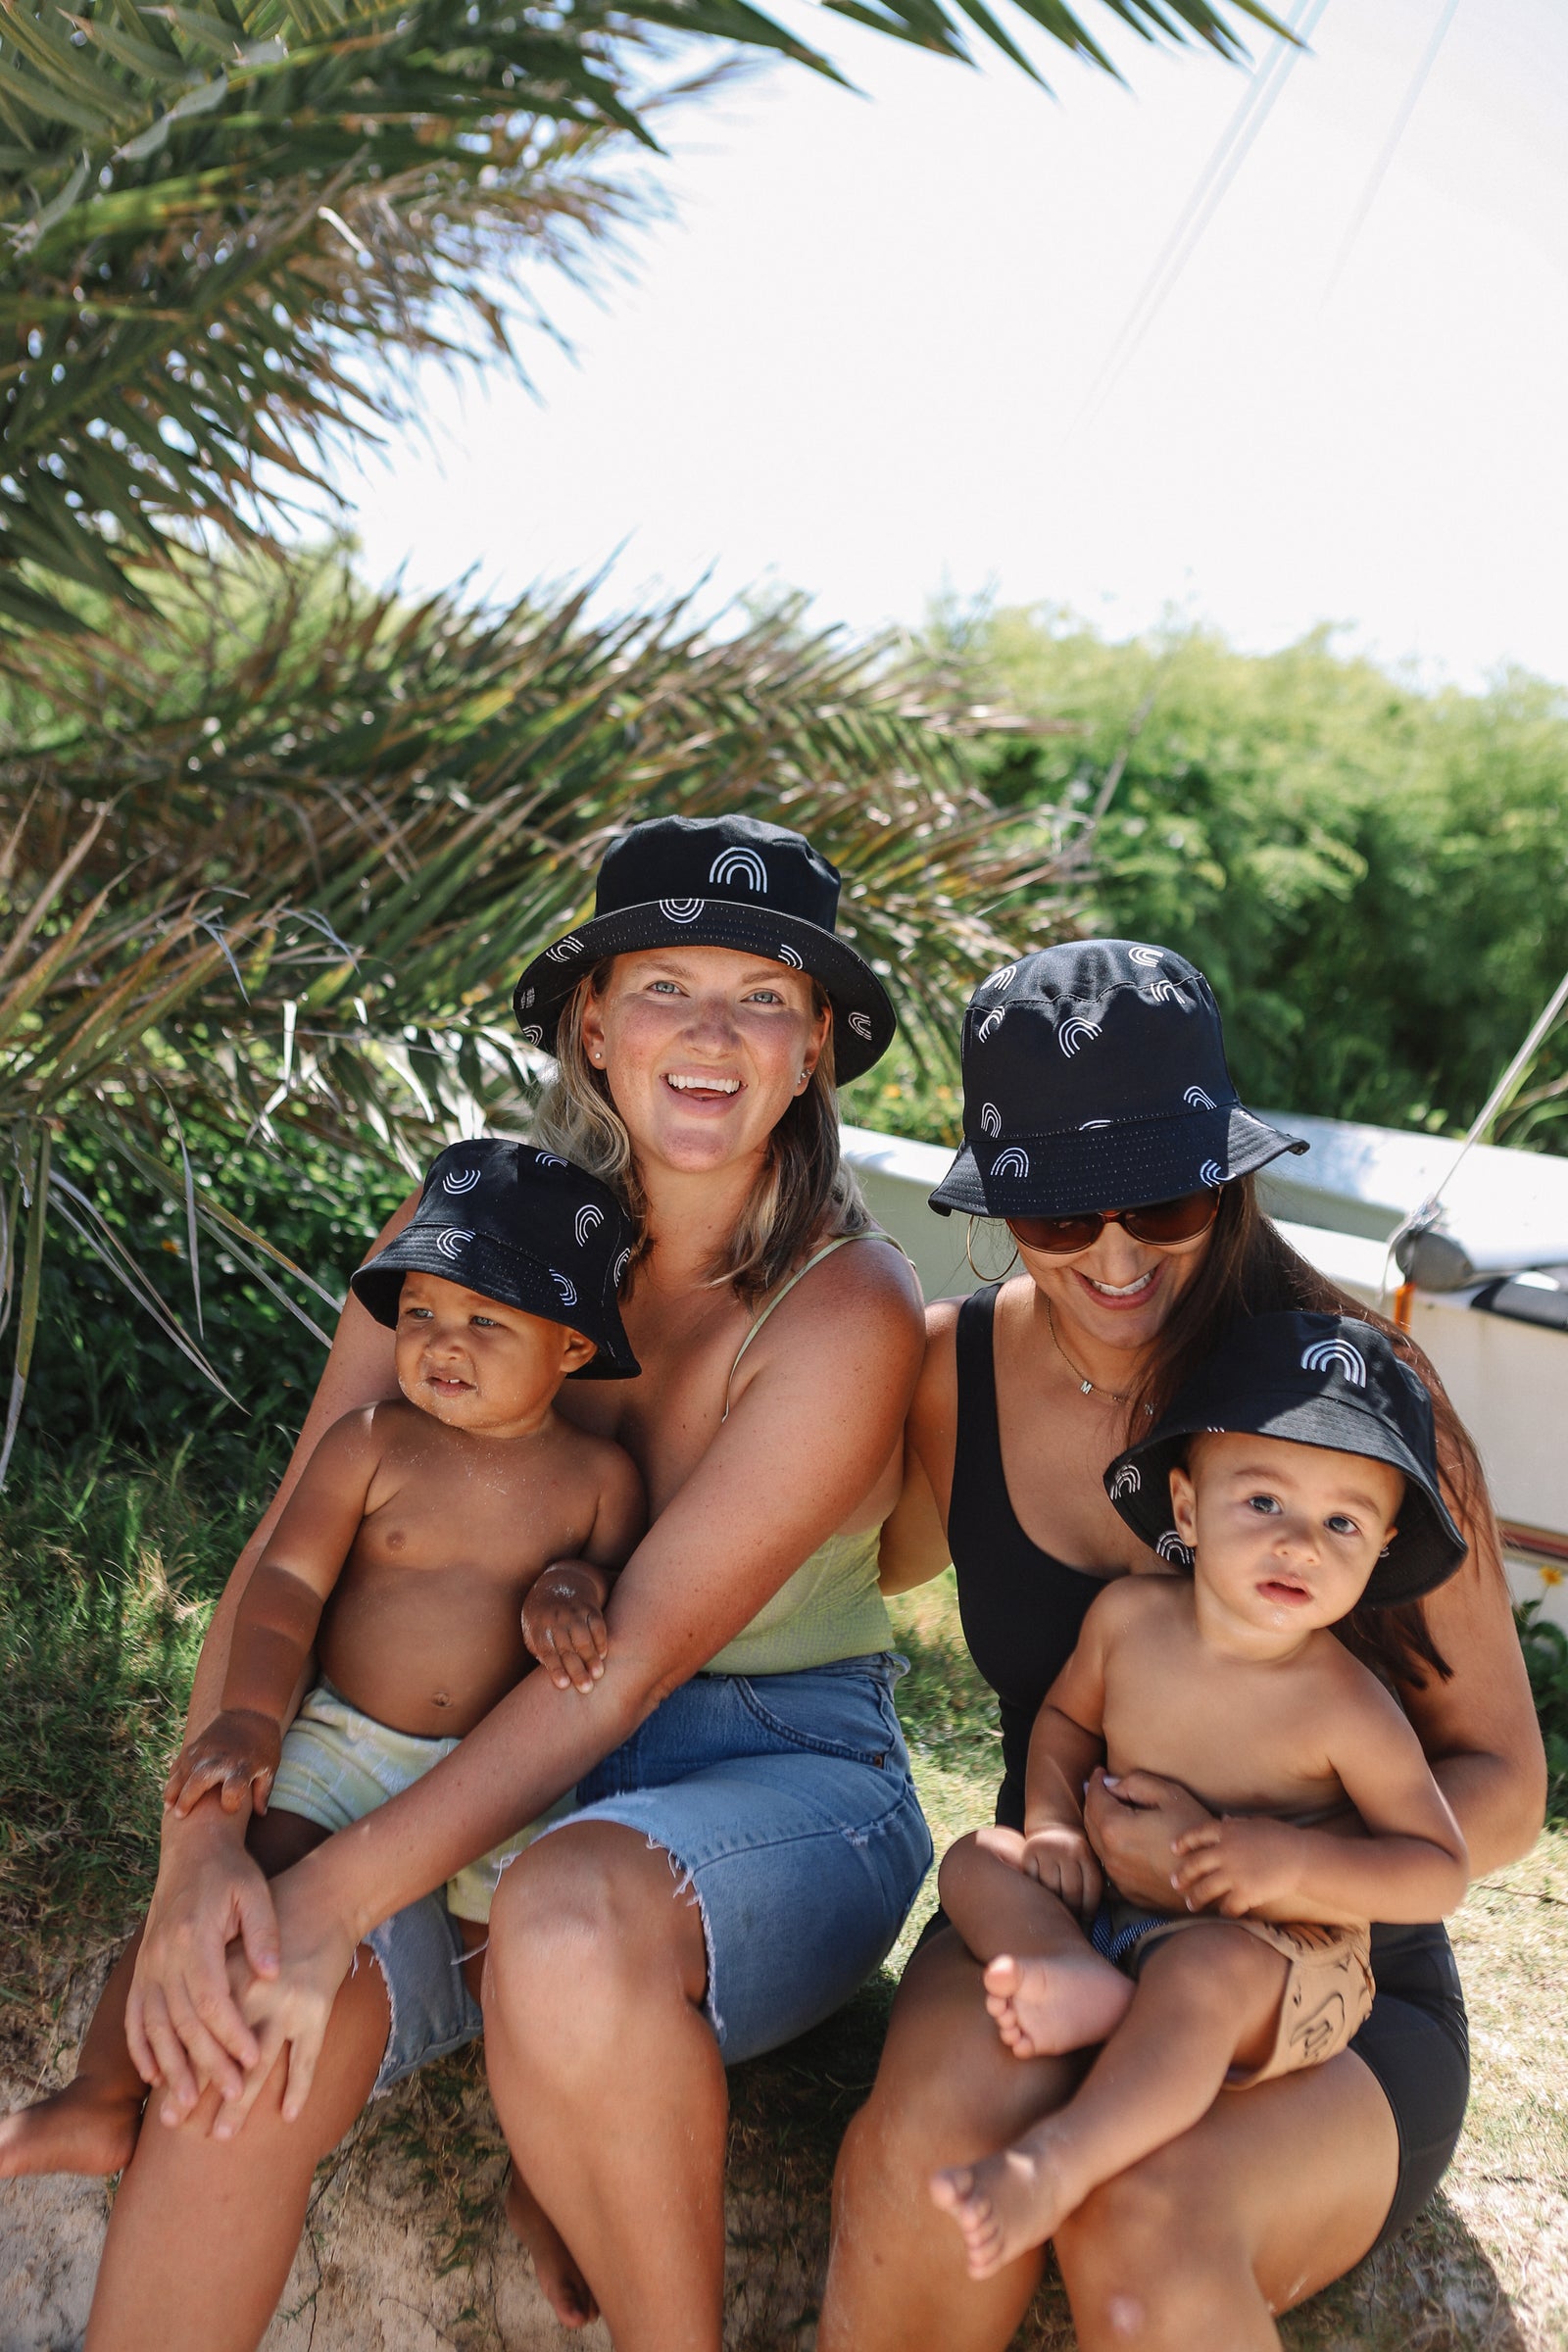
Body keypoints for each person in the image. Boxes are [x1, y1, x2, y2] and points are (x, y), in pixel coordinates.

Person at [77, 812, 932, 2352]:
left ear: (814, 1048)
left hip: (766, 1764)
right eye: (667, 985)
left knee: (563, 1921)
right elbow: (286, 1552)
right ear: (592, 1021)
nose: (712, 1034)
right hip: (467, 1760)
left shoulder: (845, 1302)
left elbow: (640, 1655)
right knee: (242, 2010)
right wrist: (198, 1863)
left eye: (763, 999)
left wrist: (337, 1887)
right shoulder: (465, 1231)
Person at [820, 939, 1545, 2352]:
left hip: (1327, 1966)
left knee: (1144, 2230)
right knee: (925, 2153)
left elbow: (1505, 1789)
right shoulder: (948, 1377)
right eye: (1052, 1213)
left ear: (1229, 1172)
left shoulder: (1364, 1397)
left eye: (1160, 1198)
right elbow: (826, 1568)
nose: (1111, 1253)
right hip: (1063, 1911)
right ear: (997, 1203)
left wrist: (1263, 1870)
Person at [0, 1139, 644, 2244]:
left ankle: (545, 2178)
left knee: (523, 1991)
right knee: (230, 1893)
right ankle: (98, 2099)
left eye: (486, 1324)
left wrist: (569, 1591)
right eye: (424, 1314)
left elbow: (606, 1572)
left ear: (572, 1345)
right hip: (351, 1741)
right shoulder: (369, 1443)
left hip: (499, 1779)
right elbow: (286, 1586)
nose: (445, 1344)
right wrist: (249, 1714)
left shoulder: (596, 1478)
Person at [931, 1309, 1471, 2279]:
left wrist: (1290, 1863)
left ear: (1381, 1549)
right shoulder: (1128, 1621)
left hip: (1268, 1955)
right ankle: (1074, 1977)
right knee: (976, 1859)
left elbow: (1436, 1872)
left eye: (1340, 1522)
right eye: (1262, 1502)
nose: (1298, 1544)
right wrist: (1050, 1820)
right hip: (1114, 1909)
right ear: (1185, 1507)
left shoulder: (1347, 1703)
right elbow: (1063, 1727)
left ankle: (1052, 2167)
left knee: (1199, 1977)